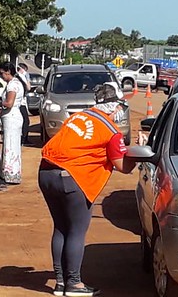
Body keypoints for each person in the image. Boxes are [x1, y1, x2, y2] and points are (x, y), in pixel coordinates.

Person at [38, 82, 136, 296]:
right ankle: (74, 283)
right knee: (76, 231)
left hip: (46, 173)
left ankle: (61, 282)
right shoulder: (111, 131)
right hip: (72, 179)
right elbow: (123, 167)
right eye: (120, 106)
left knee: (61, 227)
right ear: (113, 106)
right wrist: (135, 155)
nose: (120, 111)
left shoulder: (78, 116)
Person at [0, 62, 23, 184]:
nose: (1, 75)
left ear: (8, 72)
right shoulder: (17, 83)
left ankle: (9, 173)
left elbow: (9, 103)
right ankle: (13, 173)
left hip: (11, 116)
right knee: (13, 144)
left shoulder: (12, 85)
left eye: (2, 73)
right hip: (14, 116)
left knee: (9, 145)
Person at [16, 63, 32, 144]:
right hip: (20, 103)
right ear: (22, 69)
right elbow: (28, 87)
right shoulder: (21, 77)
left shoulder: (17, 77)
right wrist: (27, 78)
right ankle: (24, 139)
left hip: (21, 102)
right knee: (25, 121)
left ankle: (22, 138)